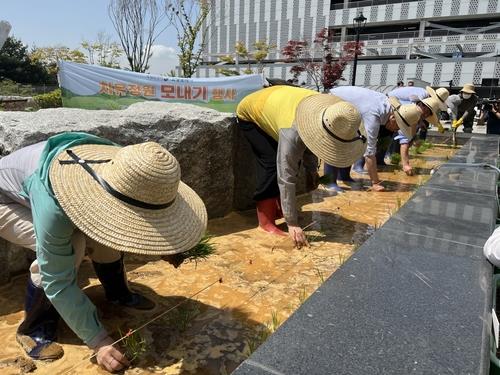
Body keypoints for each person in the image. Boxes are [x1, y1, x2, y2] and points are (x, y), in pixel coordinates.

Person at [0, 132, 207, 372]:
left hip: (46, 188)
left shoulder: (129, 168)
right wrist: (99, 341)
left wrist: (168, 244)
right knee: (72, 246)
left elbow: (132, 215)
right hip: (7, 200)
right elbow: (57, 279)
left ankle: (117, 293)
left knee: (107, 237)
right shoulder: (53, 206)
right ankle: (34, 328)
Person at [236, 85, 366, 247]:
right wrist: (292, 223)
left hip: (281, 102)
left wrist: (312, 172)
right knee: (271, 165)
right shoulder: (292, 130)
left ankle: (278, 208)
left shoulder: (330, 115)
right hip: (252, 110)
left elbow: (313, 146)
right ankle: (265, 222)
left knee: (291, 160)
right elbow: (285, 175)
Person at [326, 86, 422, 191]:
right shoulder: (374, 115)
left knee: (352, 141)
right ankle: (329, 183)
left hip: (349, 110)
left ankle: (343, 176)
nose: (396, 130)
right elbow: (369, 153)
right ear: (393, 118)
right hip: (332, 102)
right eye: (398, 126)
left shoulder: (387, 108)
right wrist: (375, 182)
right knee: (337, 142)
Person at [385, 86, 449, 175]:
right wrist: (406, 164)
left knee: (407, 136)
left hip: (404, 108)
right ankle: (398, 161)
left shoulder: (424, 100)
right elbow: (411, 113)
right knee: (404, 138)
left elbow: (417, 114)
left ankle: (394, 157)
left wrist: (419, 124)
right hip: (390, 102)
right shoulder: (421, 96)